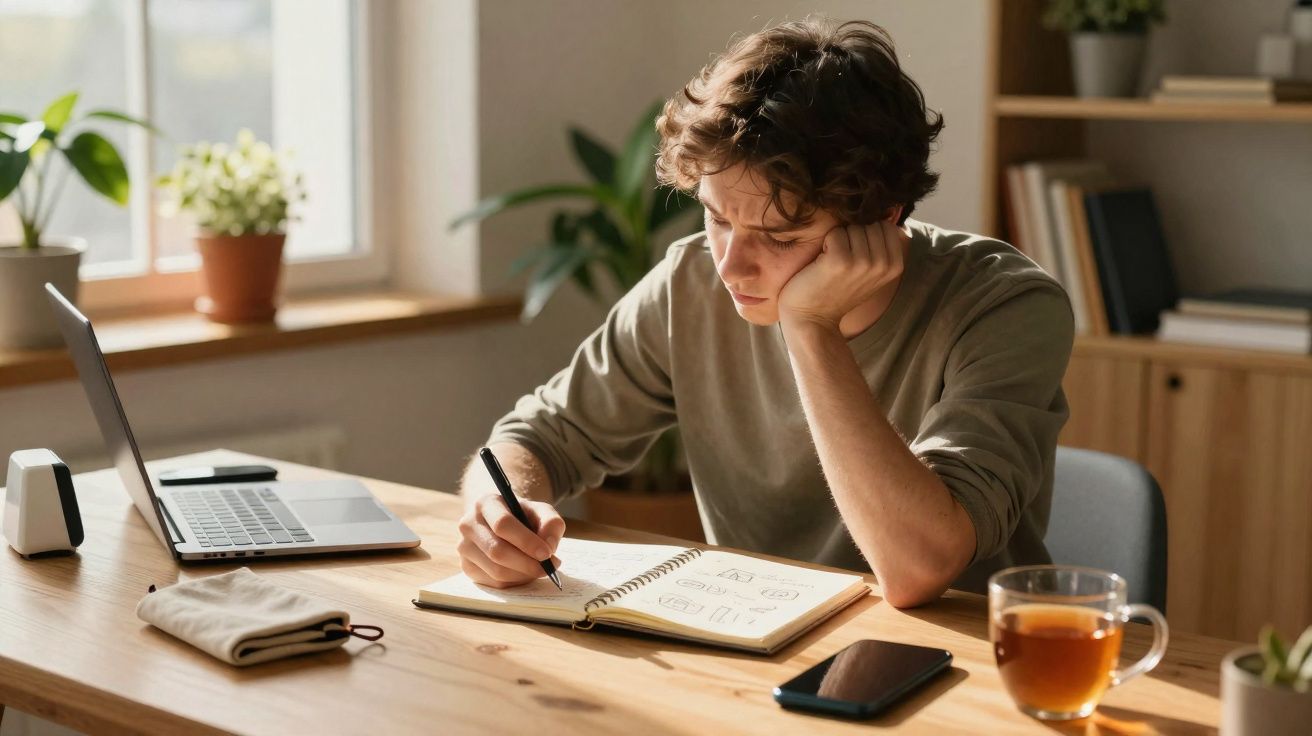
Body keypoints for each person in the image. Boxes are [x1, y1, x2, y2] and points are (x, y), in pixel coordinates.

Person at [456, 18, 1073, 608]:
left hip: (954, 659)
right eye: (717, 217)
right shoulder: (690, 281)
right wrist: (497, 513)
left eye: (780, 236)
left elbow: (918, 568)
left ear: (884, 218)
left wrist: (811, 327)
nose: (730, 266)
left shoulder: (1006, 307)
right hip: (754, 643)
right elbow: (536, 437)